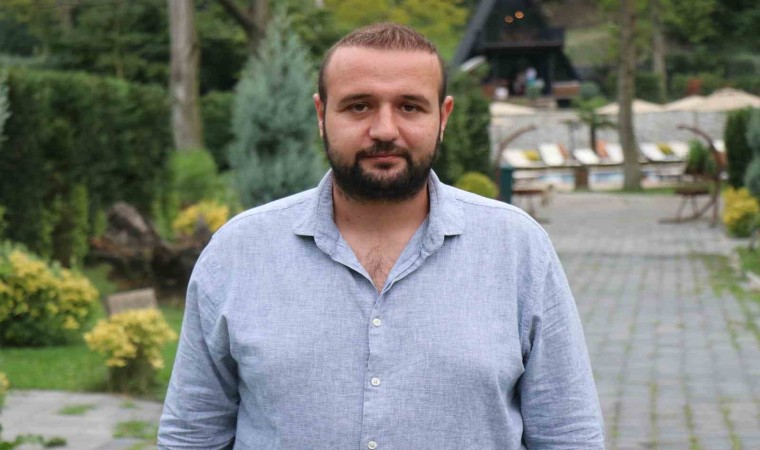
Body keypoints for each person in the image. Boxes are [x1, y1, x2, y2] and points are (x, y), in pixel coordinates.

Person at [158, 23, 604, 449]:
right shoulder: (239, 251)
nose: (385, 130)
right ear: (321, 114)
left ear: (443, 117)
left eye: (410, 107)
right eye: (359, 106)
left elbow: (568, 435)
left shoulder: (517, 248)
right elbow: (191, 436)